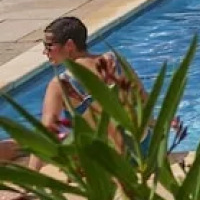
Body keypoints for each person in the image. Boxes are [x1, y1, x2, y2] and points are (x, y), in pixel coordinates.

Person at [0, 17, 125, 178]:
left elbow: (47, 131)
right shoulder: (113, 61)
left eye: (49, 46)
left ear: (69, 46)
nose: (45, 52)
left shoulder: (61, 84)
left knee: (31, 140)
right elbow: (142, 99)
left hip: (100, 160)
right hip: (137, 150)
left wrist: (31, 182)